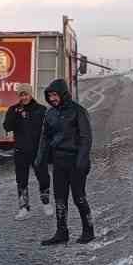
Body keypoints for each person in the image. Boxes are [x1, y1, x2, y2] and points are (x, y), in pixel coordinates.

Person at [33, 77, 95, 246]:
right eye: (49, 95)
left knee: (79, 198)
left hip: (76, 162)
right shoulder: (50, 113)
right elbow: (44, 138)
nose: (52, 98)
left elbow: (86, 138)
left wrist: (82, 161)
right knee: (60, 198)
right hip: (59, 163)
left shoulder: (78, 111)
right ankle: (62, 233)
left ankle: (88, 231)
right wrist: (40, 159)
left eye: (55, 95)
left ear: (63, 94)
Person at [2, 83, 51, 219]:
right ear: (19, 96)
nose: (24, 97)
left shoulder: (41, 110)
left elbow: (49, 129)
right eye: (21, 95)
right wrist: (15, 115)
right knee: (21, 180)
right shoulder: (13, 110)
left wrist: (49, 148)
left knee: (44, 177)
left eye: (26, 94)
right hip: (20, 150)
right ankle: (24, 208)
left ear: (31, 94)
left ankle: (46, 202)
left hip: (38, 150)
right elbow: (7, 126)